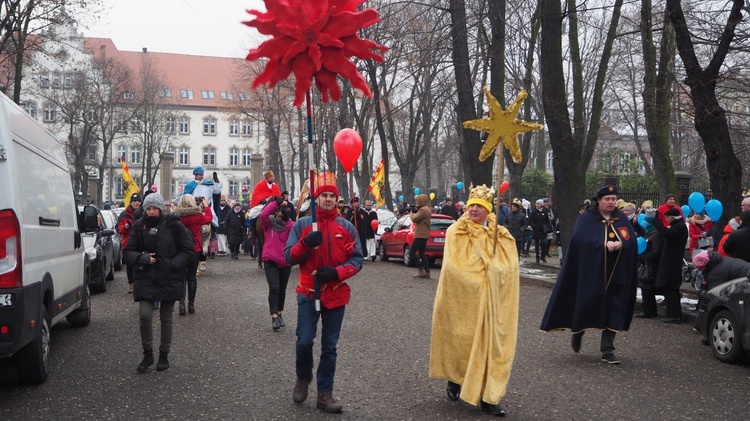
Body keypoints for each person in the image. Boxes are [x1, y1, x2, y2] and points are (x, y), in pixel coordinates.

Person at [430, 184, 519, 417]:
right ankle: (455, 379)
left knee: (491, 348)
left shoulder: (500, 235)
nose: (475, 210)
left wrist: (496, 270)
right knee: (462, 343)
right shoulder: (456, 233)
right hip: (464, 303)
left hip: (492, 304)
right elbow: (453, 268)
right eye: (472, 206)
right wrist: (477, 278)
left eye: (480, 206)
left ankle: (490, 397)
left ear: (488, 209)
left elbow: (509, 266)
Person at [285, 171, 363, 414]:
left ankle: (325, 393)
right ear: (315, 199)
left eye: (332, 195)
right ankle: (303, 376)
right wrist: (306, 243)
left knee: (330, 347)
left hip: (336, 294)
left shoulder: (346, 227)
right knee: (304, 341)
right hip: (308, 293)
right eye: (323, 195)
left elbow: (357, 260)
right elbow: (289, 257)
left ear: (336, 199)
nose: (328, 199)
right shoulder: (302, 225)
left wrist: (337, 273)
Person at [540, 185, 638, 365]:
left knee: (614, 308)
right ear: (599, 201)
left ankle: (607, 349)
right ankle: (578, 332)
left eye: (613, 199)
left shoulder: (621, 218)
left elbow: (630, 239)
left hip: (616, 275)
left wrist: (622, 245)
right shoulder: (587, 218)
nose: (611, 202)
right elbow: (581, 240)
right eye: (607, 199)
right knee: (585, 304)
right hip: (591, 273)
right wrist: (602, 245)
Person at [123, 193, 195, 373]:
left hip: (168, 276)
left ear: (161, 209)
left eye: (155, 208)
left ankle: (164, 354)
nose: (152, 212)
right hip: (146, 276)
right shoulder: (140, 226)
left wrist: (172, 264)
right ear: (145, 210)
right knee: (145, 315)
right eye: (149, 208)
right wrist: (142, 257)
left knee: (166, 317)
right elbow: (128, 252)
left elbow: (188, 251)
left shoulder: (174, 225)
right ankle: (148, 353)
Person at [174, 194, 212, 315]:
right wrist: (206, 207)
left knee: (181, 278)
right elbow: (209, 219)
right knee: (192, 278)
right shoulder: (198, 216)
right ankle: (191, 305)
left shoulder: (177, 217)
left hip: (180, 249)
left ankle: (181, 305)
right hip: (194, 248)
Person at [261, 196, 294, 330]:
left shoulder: (290, 226)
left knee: (282, 289)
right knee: (274, 287)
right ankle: (274, 316)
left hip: (285, 262)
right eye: (279, 211)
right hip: (271, 260)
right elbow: (263, 214)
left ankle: (280, 312)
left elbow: (293, 229)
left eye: (283, 211)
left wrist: (287, 220)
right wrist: (276, 203)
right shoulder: (269, 223)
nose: (280, 213)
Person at [652, 207, 689, 323]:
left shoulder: (679, 227)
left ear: (672, 217)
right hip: (671, 261)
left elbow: (665, 232)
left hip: (672, 262)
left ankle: (675, 315)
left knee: (671, 289)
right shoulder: (677, 226)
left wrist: (656, 220)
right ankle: (672, 313)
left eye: (668, 217)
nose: (666, 220)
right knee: (669, 289)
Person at [635, 215, 662, 318]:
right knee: (646, 288)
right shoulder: (649, 232)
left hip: (651, 264)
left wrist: (644, 257)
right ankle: (649, 310)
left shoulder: (655, 234)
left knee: (647, 287)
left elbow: (656, 250)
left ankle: (648, 311)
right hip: (647, 262)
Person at [117, 192, 143, 294]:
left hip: (140, 241)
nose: (136, 203)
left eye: (138, 201)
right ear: (131, 202)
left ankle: (139, 282)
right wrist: (125, 227)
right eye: (134, 201)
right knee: (130, 264)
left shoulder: (143, 213)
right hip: (128, 241)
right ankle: (131, 283)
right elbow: (119, 229)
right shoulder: (124, 214)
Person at [410, 194, 432, 278]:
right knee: (422, 254)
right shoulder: (427, 209)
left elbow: (414, 219)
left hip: (420, 234)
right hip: (424, 234)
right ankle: (427, 271)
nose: (417, 202)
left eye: (418, 201)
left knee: (412, 252)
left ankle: (421, 269)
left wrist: (411, 214)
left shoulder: (423, 210)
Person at [529, 199, 551, 263]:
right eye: (536, 204)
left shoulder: (545, 211)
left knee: (543, 243)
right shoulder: (534, 212)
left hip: (543, 230)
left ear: (541, 205)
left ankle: (543, 256)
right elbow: (529, 221)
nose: (537, 205)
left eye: (538, 204)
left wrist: (549, 227)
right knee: (537, 244)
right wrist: (533, 226)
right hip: (536, 230)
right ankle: (537, 257)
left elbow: (547, 220)